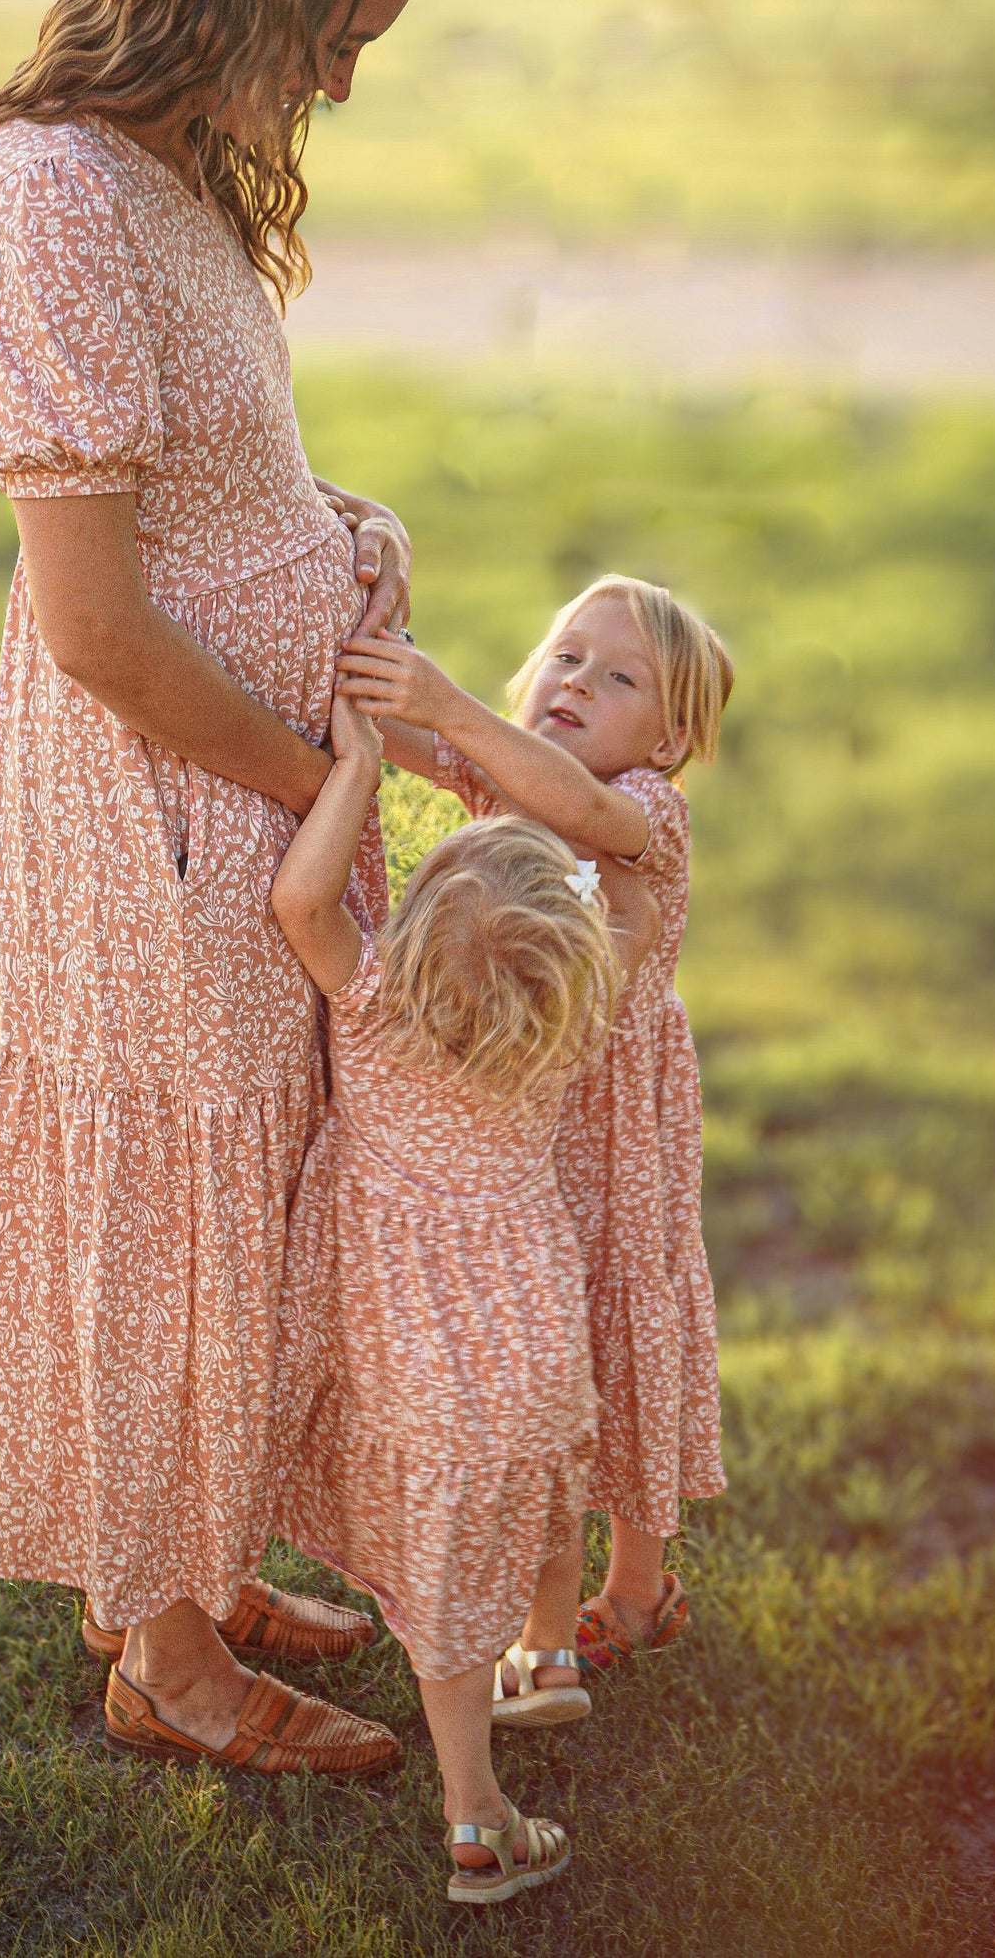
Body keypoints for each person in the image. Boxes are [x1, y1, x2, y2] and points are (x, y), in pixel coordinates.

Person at [0, 0, 436, 1776]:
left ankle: (183, 1560)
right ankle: (161, 1647)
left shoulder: (164, 176)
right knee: (171, 1204)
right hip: (168, 795)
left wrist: (328, 522)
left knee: (239, 1185)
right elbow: (98, 629)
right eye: (327, 33)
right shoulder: (47, 197)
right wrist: (317, 758)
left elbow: (203, 482)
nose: (332, 79)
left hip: (250, 777)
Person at [256, 685, 649, 1904]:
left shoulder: (369, 1005)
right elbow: (633, 898)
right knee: (534, 1490)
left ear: (419, 926)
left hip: (420, 1366)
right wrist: (592, 838)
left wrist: (359, 768)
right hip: (531, 1346)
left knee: (443, 1590)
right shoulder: (562, 1033)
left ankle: (473, 1809)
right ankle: (547, 1652)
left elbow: (296, 898)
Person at [338, 573, 733, 1691]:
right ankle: (561, 1583)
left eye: (619, 679)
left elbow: (589, 815)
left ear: (669, 736)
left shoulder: (646, 807)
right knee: (552, 1335)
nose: (576, 683)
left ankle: (639, 1585)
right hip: (527, 1127)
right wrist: (368, 644)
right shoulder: (509, 776)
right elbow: (405, 728)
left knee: (625, 1311)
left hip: (612, 1121)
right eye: (565, 655)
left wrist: (456, 708)